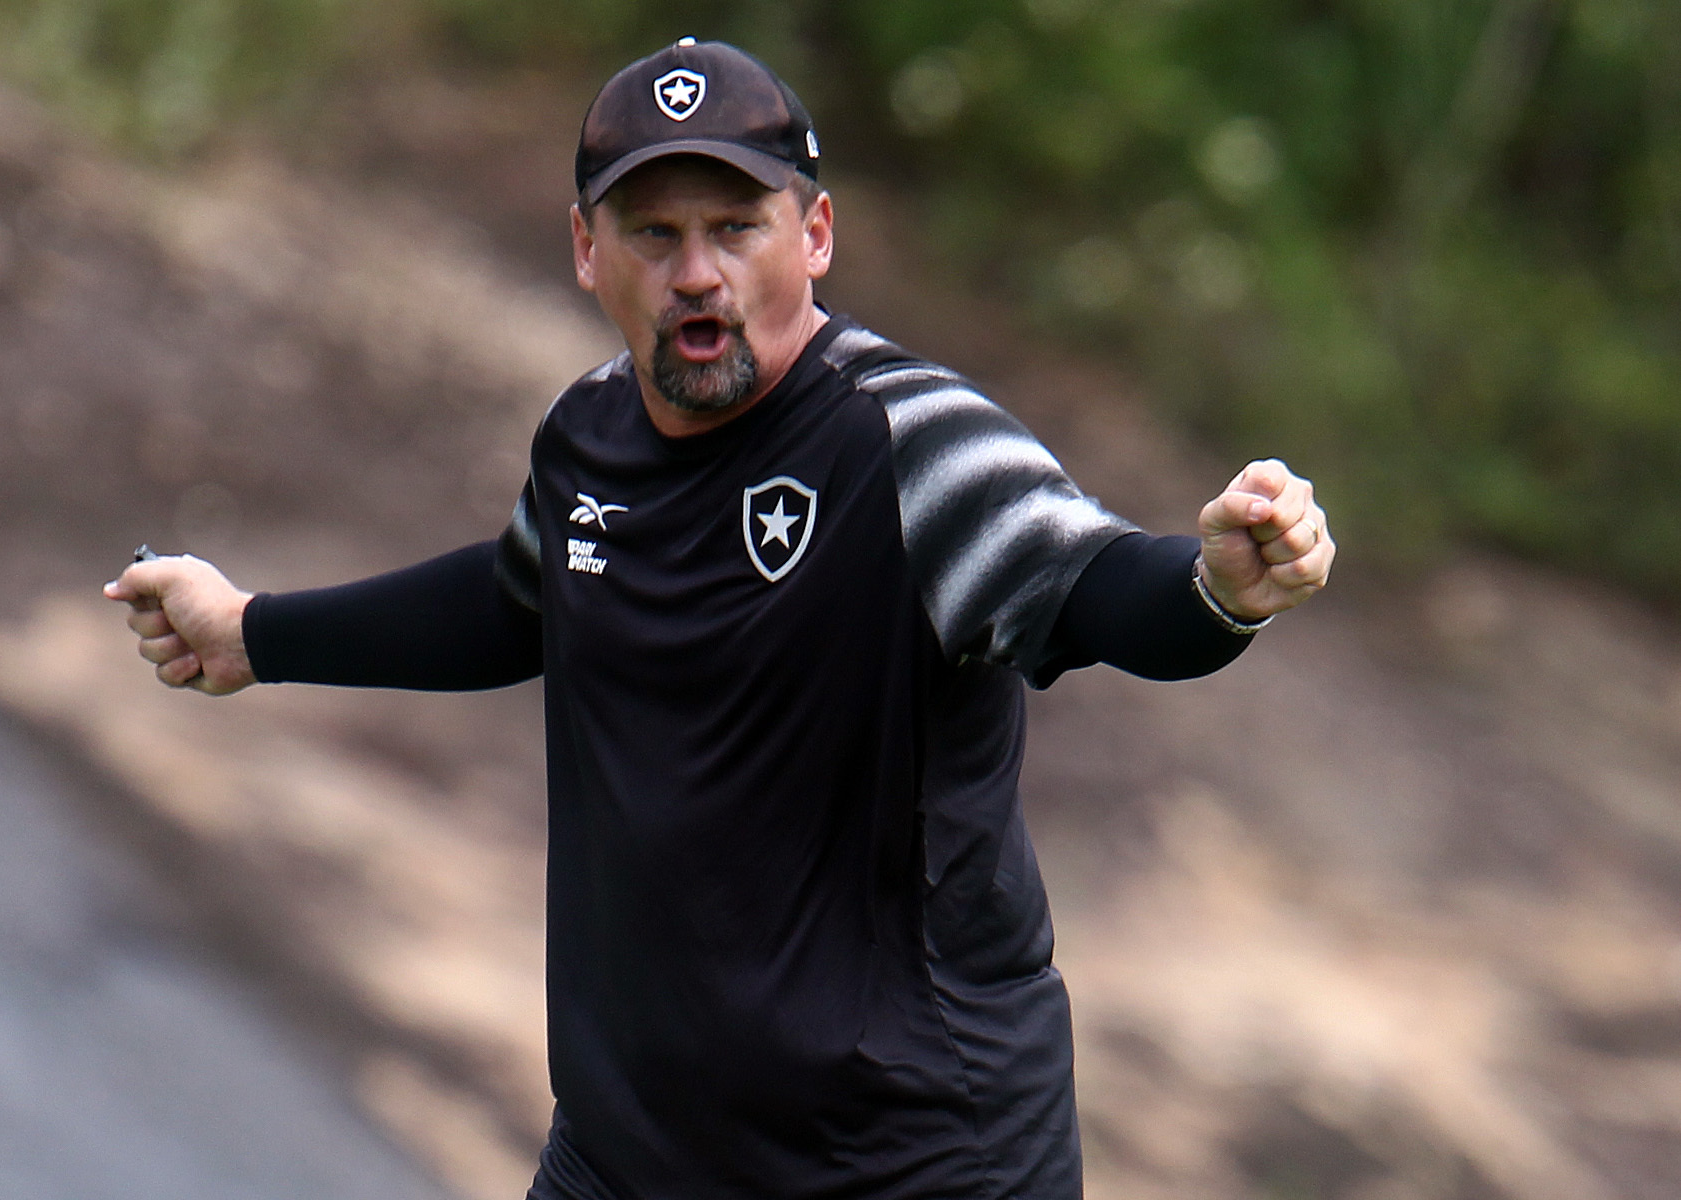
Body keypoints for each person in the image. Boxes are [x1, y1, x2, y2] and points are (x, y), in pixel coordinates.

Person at [106, 38, 1333, 1200]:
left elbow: (1097, 586)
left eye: (737, 228)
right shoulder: (588, 437)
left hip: (907, 1162)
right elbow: (518, 601)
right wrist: (253, 634)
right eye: (656, 233)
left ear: (816, 235)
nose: (698, 272)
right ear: (588, 251)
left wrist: (1217, 589)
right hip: (631, 1149)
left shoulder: (908, 444)